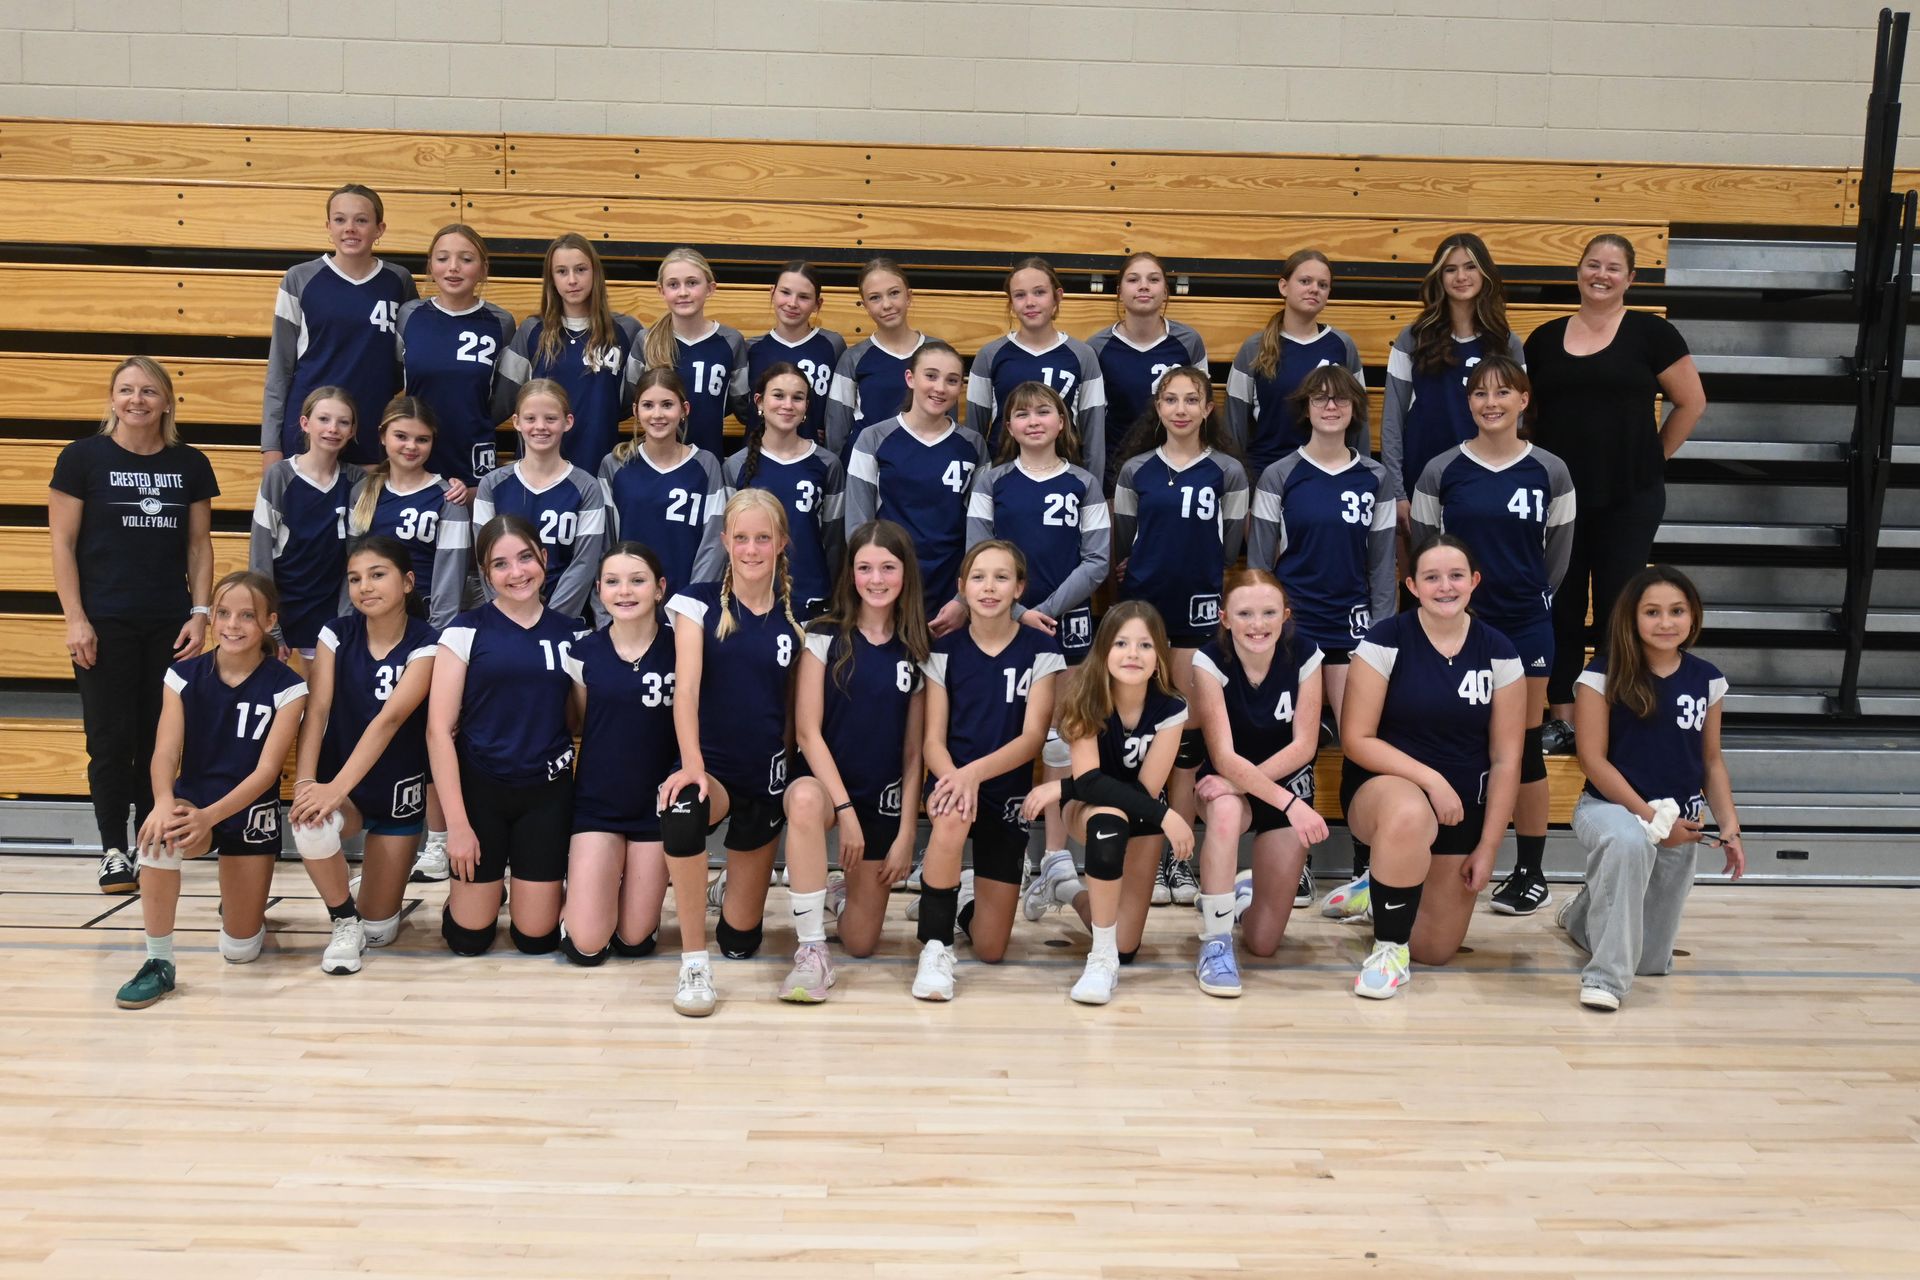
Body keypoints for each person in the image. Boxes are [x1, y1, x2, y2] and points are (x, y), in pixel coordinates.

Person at [1525, 233, 1706, 754]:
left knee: (1616, 607)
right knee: (1557, 606)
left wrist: (1653, 460)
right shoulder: (1543, 338)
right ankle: (1561, 716)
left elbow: (1691, 402)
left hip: (1629, 496)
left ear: (1631, 278)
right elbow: (1532, 414)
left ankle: (1604, 713)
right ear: (1578, 271)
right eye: (1592, 265)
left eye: (1613, 267)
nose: (1600, 275)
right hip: (1560, 500)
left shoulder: (1653, 333)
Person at [1410, 356, 1575, 916]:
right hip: (1458, 628)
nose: (1491, 402)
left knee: (1524, 749)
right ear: (1469, 403)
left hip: (1526, 624)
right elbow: (1430, 556)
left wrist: (1527, 596)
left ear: (1524, 400)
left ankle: (1530, 871)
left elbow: (1557, 556)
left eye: (1504, 392)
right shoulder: (1441, 470)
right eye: (1480, 394)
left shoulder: (1550, 471)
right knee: (1450, 740)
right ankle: (1430, 857)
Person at [49, 356, 218, 893]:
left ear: (167, 401)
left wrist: (201, 612)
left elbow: (198, 545)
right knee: (109, 737)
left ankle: (153, 839)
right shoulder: (82, 459)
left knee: (158, 736)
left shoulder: (189, 463)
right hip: (104, 622)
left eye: (148, 391)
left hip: (169, 623)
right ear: (113, 399)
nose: (137, 400)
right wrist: (76, 618)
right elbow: (62, 543)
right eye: (126, 390)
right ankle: (113, 849)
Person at [1340, 534, 1524, 999]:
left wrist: (1488, 847)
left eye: (1456, 575)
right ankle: (1388, 950)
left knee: (1437, 949)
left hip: (1462, 808)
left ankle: (1379, 884)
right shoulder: (1386, 640)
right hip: (1385, 793)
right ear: (1412, 585)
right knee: (1409, 813)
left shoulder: (1500, 651)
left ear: (1474, 582)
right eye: (1432, 577)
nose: (1446, 586)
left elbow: (1506, 760)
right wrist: (1430, 779)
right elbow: (1356, 738)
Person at [113, 572, 308, 1010]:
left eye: (246, 616)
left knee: (240, 951)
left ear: (268, 622)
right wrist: (164, 803)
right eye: (222, 613)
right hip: (193, 804)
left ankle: (244, 911)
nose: (232, 625)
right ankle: (158, 963)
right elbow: (164, 752)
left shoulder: (288, 686)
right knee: (158, 834)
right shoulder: (182, 676)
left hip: (248, 813)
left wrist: (210, 817)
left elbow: (266, 772)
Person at [1559, 566, 1745, 1011]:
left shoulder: (1708, 679)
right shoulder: (1600, 675)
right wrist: (1649, 817)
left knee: (1651, 960)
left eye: (1677, 611)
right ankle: (1604, 980)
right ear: (1632, 618)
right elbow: (1593, 761)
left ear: (1693, 615)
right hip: (1610, 809)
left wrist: (1731, 827)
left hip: (1682, 822)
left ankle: (1583, 913)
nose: (1666, 622)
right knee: (1629, 844)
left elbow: (1712, 761)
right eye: (1653, 612)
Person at [1247, 364, 1395, 910]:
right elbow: (1261, 563)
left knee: (1362, 744)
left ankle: (1367, 859)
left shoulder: (1376, 478)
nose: (1331, 408)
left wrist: (1381, 632)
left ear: (1355, 409)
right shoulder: (1281, 476)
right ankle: (1299, 860)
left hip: (1353, 626)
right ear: (1306, 408)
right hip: (1296, 627)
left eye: (1341, 400)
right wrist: (1266, 624)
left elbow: (1382, 564)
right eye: (1320, 399)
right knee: (1298, 745)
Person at [656, 490, 807, 1015]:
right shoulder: (696, 602)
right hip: (710, 768)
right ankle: (693, 962)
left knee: (742, 942)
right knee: (681, 814)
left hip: (763, 778)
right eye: (740, 538)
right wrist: (692, 764)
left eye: (762, 538)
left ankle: (722, 893)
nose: (750, 549)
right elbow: (687, 691)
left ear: (781, 543)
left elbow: (791, 710)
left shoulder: (795, 618)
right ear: (724, 541)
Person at [964, 380, 1109, 917]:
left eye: (1043, 412)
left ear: (1063, 421)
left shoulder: (1084, 483)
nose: (1032, 421)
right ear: (1007, 426)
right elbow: (976, 551)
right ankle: (984, 862)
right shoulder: (992, 480)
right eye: (1021, 413)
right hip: (1002, 622)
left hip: (1066, 627)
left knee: (1057, 739)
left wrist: (1043, 608)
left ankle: (1052, 860)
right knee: (999, 731)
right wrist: (1019, 611)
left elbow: (1097, 561)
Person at [1111, 366, 1249, 906]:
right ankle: (1142, 840)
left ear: (1209, 407)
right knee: (1144, 731)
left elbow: (1231, 542)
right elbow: (1124, 540)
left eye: (1192, 399)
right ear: (1158, 406)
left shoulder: (1228, 472)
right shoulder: (1135, 471)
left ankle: (1180, 855)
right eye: (1171, 399)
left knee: (1185, 736)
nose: (1182, 409)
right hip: (1142, 609)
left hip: (1196, 610)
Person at [427, 515, 586, 958]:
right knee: (469, 940)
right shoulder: (464, 630)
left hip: (546, 791)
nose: (516, 573)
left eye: (524, 559)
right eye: (500, 564)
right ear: (486, 574)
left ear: (544, 559)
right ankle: (477, 894)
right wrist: (456, 827)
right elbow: (439, 731)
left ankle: (514, 890)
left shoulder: (574, 634)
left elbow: (578, 721)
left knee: (536, 940)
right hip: (481, 793)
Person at [912, 540, 1064, 1002]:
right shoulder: (944, 650)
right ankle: (934, 948)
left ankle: (961, 903)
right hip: (951, 778)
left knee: (993, 948)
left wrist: (972, 776)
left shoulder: (1041, 650)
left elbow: (1033, 737)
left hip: (1005, 792)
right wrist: (957, 780)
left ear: (1020, 588)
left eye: (1001, 577)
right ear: (962, 588)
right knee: (954, 813)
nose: (989, 586)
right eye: (978, 577)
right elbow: (932, 740)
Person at [1022, 603, 1193, 1005]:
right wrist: (1169, 816)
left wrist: (1062, 788)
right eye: (1121, 643)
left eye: (1145, 645)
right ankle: (1100, 960)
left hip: (1143, 808)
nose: (1132, 653)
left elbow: (1144, 793)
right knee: (1110, 823)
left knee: (1127, 945)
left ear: (1158, 658)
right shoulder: (1085, 696)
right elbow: (1092, 781)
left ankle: (1066, 890)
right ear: (1103, 650)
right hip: (1089, 808)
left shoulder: (1171, 707)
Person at [287, 536, 438, 974]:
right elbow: (317, 709)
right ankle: (342, 919)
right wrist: (307, 783)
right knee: (310, 822)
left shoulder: (428, 642)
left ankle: (368, 891)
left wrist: (334, 786)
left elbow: (388, 721)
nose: (365, 587)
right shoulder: (336, 632)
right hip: (344, 791)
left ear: (407, 582)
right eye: (355, 579)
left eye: (377, 575)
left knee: (381, 931)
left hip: (396, 791)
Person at [787, 519, 930, 961]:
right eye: (865, 568)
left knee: (862, 943)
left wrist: (908, 832)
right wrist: (845, 810)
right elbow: (807, 732)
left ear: (905, 573)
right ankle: (810, 947)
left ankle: (837, 892)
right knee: (807, 801)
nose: (876, 580)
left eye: (887, 568)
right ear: (851, 573)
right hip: (825, 790)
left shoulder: (917, 649)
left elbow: (913, 752)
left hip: (881, 799)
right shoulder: (824, 634)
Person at [1187, 570, 1330, 997]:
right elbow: (1225, 757)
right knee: (1227, 811)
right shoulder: (1209, 659)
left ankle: (1243, 894)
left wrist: (1245, 785)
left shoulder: (1306, 654)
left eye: (1269, 613)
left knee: (1265, 944)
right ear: (1224, 617)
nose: (1257, 624)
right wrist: (1282, 802)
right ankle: (1214, 942)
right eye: (1245, 613)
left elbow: (1305, 746)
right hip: (1237, 793)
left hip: (1280, 789)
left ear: (1285, 615)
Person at [557, 542, 681, 966]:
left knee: (634, 941)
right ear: (599, 590)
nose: (624, 591)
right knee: (588, 946)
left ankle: (608, 901)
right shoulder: (584, 652)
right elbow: (582, 723)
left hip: (656, 809)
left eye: (637, 581)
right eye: (612, 582)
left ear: (660, 588)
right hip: (598, 806)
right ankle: (576, 906)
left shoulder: (684, 647)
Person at [261, 183, 416, 468]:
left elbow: (406, 360)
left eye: (361, 220)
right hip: (309, 430)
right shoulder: (299, 279)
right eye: (340, 219)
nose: (350, 228)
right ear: (328, 226)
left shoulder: (398, 281)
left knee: (365, 512)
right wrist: (270, 445)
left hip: (373, 426)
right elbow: (280, 368)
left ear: (379, 229)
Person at [844, 341, 988, 634]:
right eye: (931, 376)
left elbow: (982, 530)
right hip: (890, 589)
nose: (940, 388)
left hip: (951, 590)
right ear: (910, 378)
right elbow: (857, 527)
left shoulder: (973, 445)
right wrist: (877, 587)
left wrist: (964, 598)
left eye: (951, 380)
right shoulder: (874, 439)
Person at [1379, 234, 1525, 506]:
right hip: (1422, 481)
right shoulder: (1413, 339)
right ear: (1439, 277)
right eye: (1450, 269)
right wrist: (1397, 493)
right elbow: (1392, 421)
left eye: (1470, 267)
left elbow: (1515, 420)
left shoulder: (1506, 343)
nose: (1461, 276)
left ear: (1485, 273)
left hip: (1487, 480)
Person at [445, 380, 607, 622]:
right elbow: (485, 559)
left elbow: (584, 565)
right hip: (504, 617)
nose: (540, 427)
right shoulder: (491, 484)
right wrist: (508, 613)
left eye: (551, 419)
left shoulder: (586, 487)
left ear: (568, 422)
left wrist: (550, 621)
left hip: (564, 619)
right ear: (516, 422)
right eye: (530, 419)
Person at [493, 233, 643, 476]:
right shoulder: (532, 332)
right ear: (551, 278)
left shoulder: (627, 331)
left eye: (581, 269)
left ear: (595, 273)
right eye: (562, 271)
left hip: (600, 467)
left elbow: (631, 403)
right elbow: (503, 401)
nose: (572, 280)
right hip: (537, 471)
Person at [1225, 249, 1365, 479]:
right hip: (1266, 476)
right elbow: (1234, 423)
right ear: (1283, 287)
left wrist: (1357, 476)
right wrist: (1238, 490)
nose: (1314, 289)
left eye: (1323, 285)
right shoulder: (1255, 347)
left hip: (1329, 476)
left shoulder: (1342, 346)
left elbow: (1359, 421)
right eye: (1305, 281)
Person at [967, 256, 1108, 484]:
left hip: (1066, 479)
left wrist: (1093, 491)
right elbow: (974, 431)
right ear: (1011, 302)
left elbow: (1093, 434)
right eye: (1020, 295)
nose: (1030, 302)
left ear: (1057, 297)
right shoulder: (990, 355)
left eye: (1039, 292)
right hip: (1002, 478)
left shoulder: (1082, 355)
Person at [396, 222, 516, 487]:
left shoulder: (501, 322)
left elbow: (505, 397)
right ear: (430, 265)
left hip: (471, 449)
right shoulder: (410, 315)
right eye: (442, 258)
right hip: (416, 449)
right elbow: (393, 375)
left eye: (466, 259)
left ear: (483, 268)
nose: (453, 267)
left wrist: (475, 418)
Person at [251, 386, 362, 667]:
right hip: (283, 608)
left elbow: (355, 558)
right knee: (280, 701)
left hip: (328, 611)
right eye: (324, 419)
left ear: (352, 431)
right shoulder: (280, 476)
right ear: (305, 423)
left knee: (322, 705)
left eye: (343, 422)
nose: (333, 429)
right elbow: (260, 556)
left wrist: (344, 620)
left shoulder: (356, 480)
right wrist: (270, 624)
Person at [725, 362, 847, 617]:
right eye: (778, 395)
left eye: (797, 398)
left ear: (806, 407)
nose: (787, 405)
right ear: (759, 402)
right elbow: (725, 541)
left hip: (812, 596)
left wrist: (836, 599)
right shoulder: (735, 465)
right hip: (750, 599)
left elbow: (834, 540)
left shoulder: (827, 464)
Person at [596, 367, 726, 599]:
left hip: (688, 603)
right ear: (635, 411)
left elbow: (713, 544)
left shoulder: (706, 465)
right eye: (648, 405)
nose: (657, 414)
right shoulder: (615, 465)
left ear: (684, 410)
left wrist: (692, 603)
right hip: (629, 602)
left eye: (667, 404)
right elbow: (605, 545)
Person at [1086, 251, 1209, 488]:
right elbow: (1092, 421)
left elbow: (1201, 408)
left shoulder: (1189, 341)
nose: (1143, 286)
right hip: (1116, 469)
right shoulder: (1096, 347)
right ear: (1119, 291)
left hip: (1177, 466)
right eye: (1133, 280)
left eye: (1153, 280)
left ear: (1165, 291)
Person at [343, 396, 465, 623]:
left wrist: (436, 636)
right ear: (382, 436)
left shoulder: (448, 497)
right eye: (401, 436)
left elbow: (451, 578)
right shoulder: (362, 492)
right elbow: (352, 567)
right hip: (370, 622)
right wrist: (348, 623)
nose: (411, 446)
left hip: (423, 622)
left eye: (422, 439)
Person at [628, 247, 750, 458]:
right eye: (673, 284)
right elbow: (631, 399)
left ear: (710, 288)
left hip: (708, 459)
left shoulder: (731, 342)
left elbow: (740, 407)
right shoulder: (646, 341)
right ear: (661, 290)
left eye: (692, 283)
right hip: (654, 461)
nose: (683, 292)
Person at [825, 258, 942, 457]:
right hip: (867, 467)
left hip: (923, 464)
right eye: (875, 298)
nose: (886, 304)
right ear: (865, 306)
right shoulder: (853, 358)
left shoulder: (939, 353)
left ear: (909, 296)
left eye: (894, 293)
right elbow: (836, 432)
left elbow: (949, 421)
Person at [740, 260, 846, 444]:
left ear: (817, 304)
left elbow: (839, 405)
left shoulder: (832, 345)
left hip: (813, 456)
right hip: (758, 455)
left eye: (804, 297)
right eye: (785, 292)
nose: (792, 303)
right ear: (772, 293)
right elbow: (742, 406)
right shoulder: (752, 349)